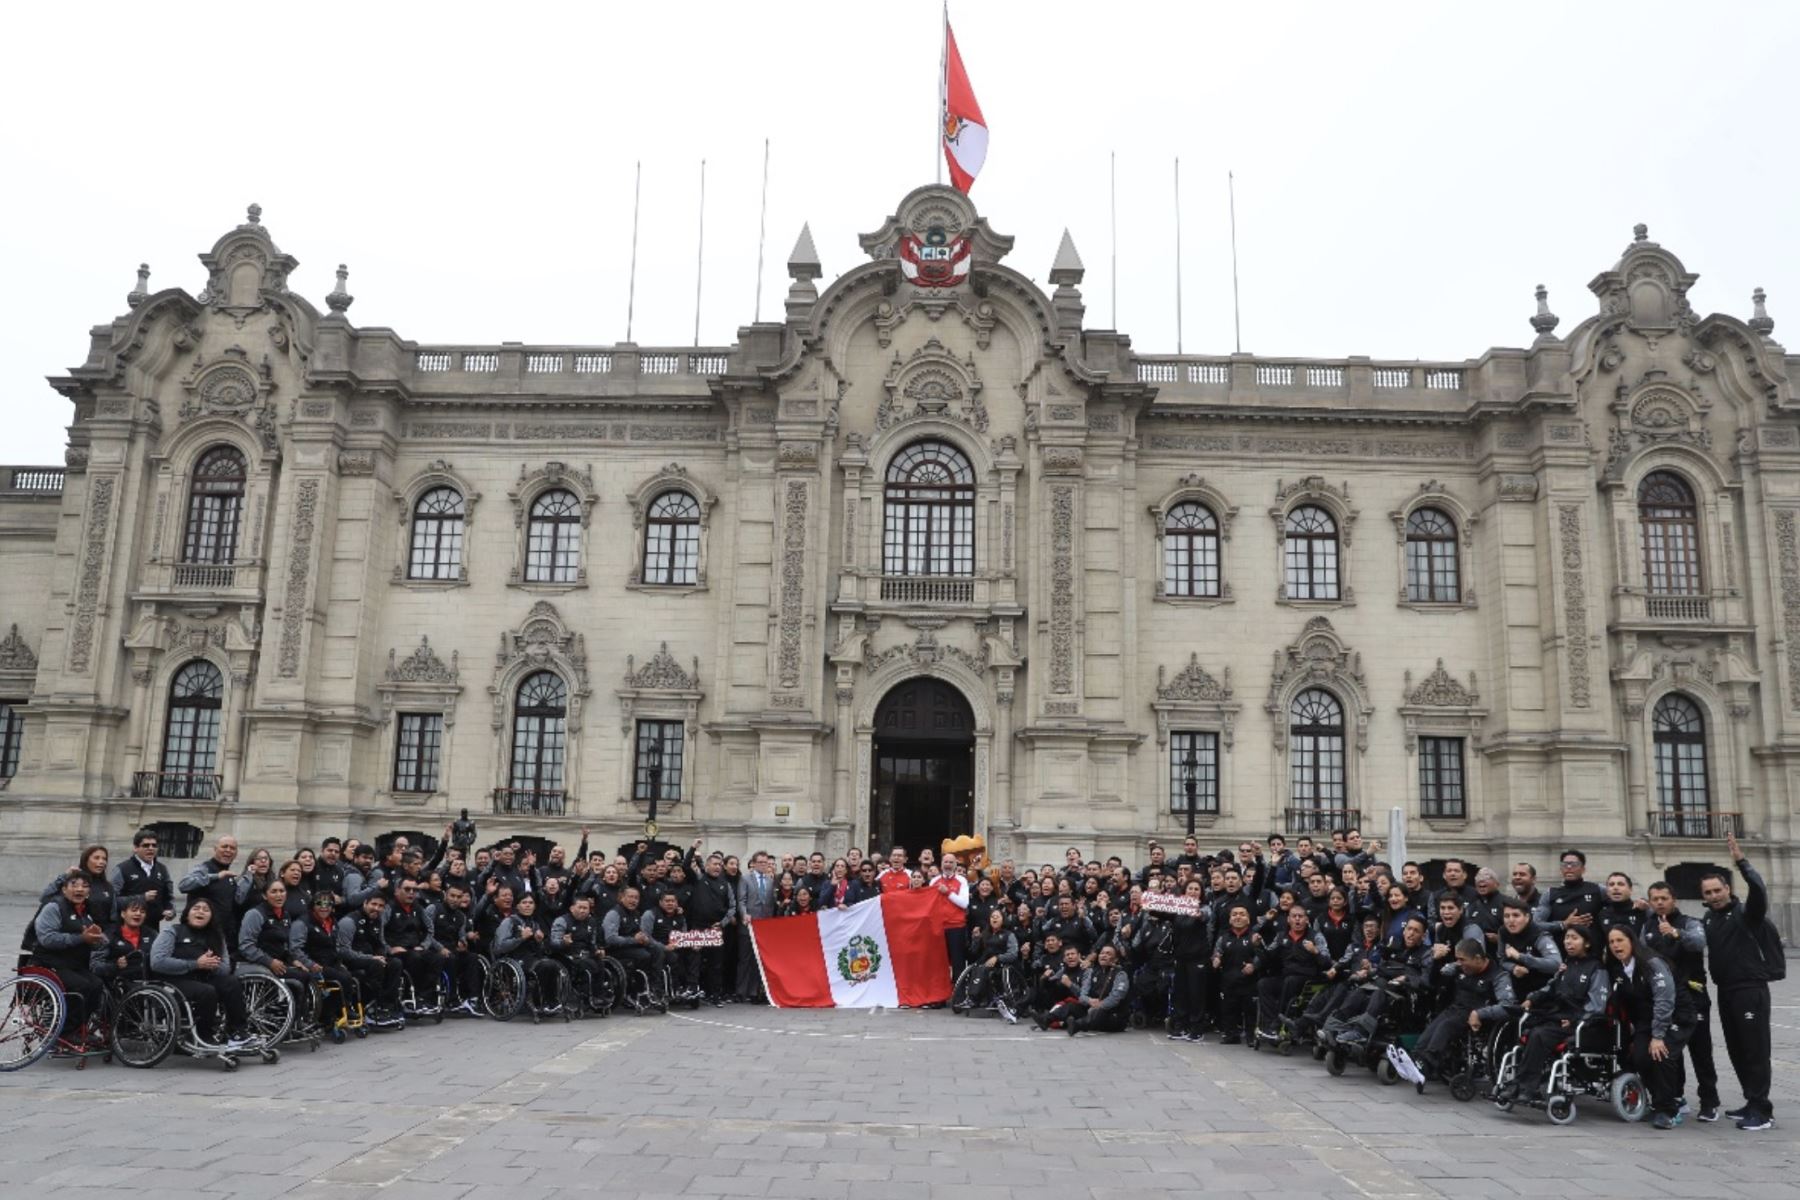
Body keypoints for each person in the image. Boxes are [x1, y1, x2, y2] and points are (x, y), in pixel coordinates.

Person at [1701, 831, 1781, 1131]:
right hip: (1725, 991)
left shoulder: (1747, 914)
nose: (1713, 896)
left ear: (1727, 889)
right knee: (1736, 1048)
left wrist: (1742, 862)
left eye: (1716, 891)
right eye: (1707, 893)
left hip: (1750, 990)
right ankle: (1752, 1100)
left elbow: (1759, 890)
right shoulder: (1709, 919)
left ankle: (1762, 1110)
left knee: (1755, 1049)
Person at [1604, 924, 1697, 1130]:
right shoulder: (1619, 969)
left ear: (1632, 941)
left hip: (1677, 1016)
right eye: (1611, 942)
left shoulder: (1652, 963)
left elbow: (1665, 1000)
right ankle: (1659, 1098)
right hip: (1648, 1020)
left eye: (1620, 940)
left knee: (1660, 1054)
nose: (1616, 945)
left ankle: (1668, 1110)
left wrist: (1658, 1035)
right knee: (1639, 1056)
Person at [1503, 925, 1608, 1103]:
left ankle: (1527, 1087)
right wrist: (1533, 999)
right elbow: (1551, 987)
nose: (1568, 942)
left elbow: (1597, 1005)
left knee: (1539, 1035)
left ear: (1587, 943)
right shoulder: (1566, 965)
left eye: (1574, 938)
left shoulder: (1597, 969)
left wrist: (1576, 1021)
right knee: (1525, 1028)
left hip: (1580, 1024)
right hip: (1558, 1017)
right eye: (1567, 938)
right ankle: (1519, 1083)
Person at [1643, 880, 1720, 1121]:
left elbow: (1699, 943)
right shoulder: (1647, 926)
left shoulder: (1690, 922)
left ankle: (1709, 1101)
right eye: (1654, 899)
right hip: (1665, 998)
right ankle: (1677, 1096)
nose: (1659, 903)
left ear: (1673, 899)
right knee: (1670, 1050)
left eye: (1664, 898)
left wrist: (1676, 933)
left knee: (1701, 1051)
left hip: (1693, 997)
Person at [150, 896, 252, 1048]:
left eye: (206, 910)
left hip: (204, 977)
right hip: (175, 981)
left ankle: (238, 1032)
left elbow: (224, 968)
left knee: (231, 982)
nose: (201, 912)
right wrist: (195, 964)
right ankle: (205, 1035)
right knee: (207, 991)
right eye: (196, 908)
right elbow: (157, 962)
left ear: (211, 916)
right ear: (187, 913)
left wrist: (211, 964)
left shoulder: (216, 936)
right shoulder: (172, 931)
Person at [1413, 938, 1515, 1085]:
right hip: (1456, 1009)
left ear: (1478, 958)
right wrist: (1436, 961)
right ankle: (1417, 1059)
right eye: (1457, 959)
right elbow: (1434, 981)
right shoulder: (1458, 967)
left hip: (1478, 1015)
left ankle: (1428, 1063)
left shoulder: (1498, 976)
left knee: (1446, 1025)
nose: (1459, 963)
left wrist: (1480, 1014)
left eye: (1462, 960)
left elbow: (1508, 1006)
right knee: (1429, 1033)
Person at [30, 873, 108, 1044]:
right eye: (74, 884)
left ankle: (81, 1028)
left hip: (75, 964)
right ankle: (65, 1031)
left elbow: (92, 939)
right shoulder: (53, 907)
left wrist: (99, 939)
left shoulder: (87, 911)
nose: (79, 889)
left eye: (84, 885)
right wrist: (81, 938)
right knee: (81, 985)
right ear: (64, 889)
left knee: (96, 984)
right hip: (49, 963)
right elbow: (47, 938)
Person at [291, 892, 356, 1036]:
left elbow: (335, 947)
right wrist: (310, 963)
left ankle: (341, 1011)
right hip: (314, 964)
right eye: (319, 903)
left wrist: (340, 962)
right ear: (312, 906)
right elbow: (295, 949)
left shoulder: (333, 922)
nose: (323, 907)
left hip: (331, 962)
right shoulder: (302, 923)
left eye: (328, 904)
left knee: (349, 976)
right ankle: (336, 1014)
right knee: (341, 979)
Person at [958, 907, 1019, 1019]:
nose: (994, 918)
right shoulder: (985, 934)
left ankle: (974, 998)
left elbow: (1013, 954)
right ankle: (972, 998)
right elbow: (974, 952)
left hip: (1001, 965)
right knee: (977, 968)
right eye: (992, 917)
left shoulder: (1009, 935)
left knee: (983, 969)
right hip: (984, 964)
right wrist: (976, 938)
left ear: (1003, 920)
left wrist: (997, 958)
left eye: (997, 916)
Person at [1211, 903, 1259, 1044]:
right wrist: (1216, 959)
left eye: (1242, 914)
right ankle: (1230, 1034)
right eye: (1234, 914)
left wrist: (1254, 965)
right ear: (1230, 919)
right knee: (1228, 1008)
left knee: (1250, 1010)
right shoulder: (1223, 938)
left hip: (1249, 981)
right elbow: (1217, 953)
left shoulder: (1254, 937)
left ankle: (1251, 1036)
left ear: (1248, 919)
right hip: (1228, 980)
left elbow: (1263, 956)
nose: (1238, 917)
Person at [112, 829, 175, 931]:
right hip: (127, 927)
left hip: (153, 927)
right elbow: (113, 900)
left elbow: (169, 896)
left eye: (154, 845)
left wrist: (170, 910)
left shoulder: (162, 869)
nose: (151, 849)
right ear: (136, 848)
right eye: (146, 845)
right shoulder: (123, 868)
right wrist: (142, 898)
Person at [736, 852, 776, 1002]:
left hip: (764, 927)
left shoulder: (770, 881)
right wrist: (744, 914)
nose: (763, 865)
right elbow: (741, 900)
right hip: (748, 925)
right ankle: (741, 991)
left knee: (758, 960)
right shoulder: (745, 878)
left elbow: (771, 904)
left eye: (765, 862)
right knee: (745, 959)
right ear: (753, 863)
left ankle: (754, 991)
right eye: (760, 862)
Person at [1534, 849, 1604, 933]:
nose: (1569, 867)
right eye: (1565, 864)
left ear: (1583, 869)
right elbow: (1536, 925)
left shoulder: (1597, 890)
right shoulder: (1550, 894)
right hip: (1560, 944)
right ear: (1561, 869)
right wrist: (1563, 924)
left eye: (1574, 864)